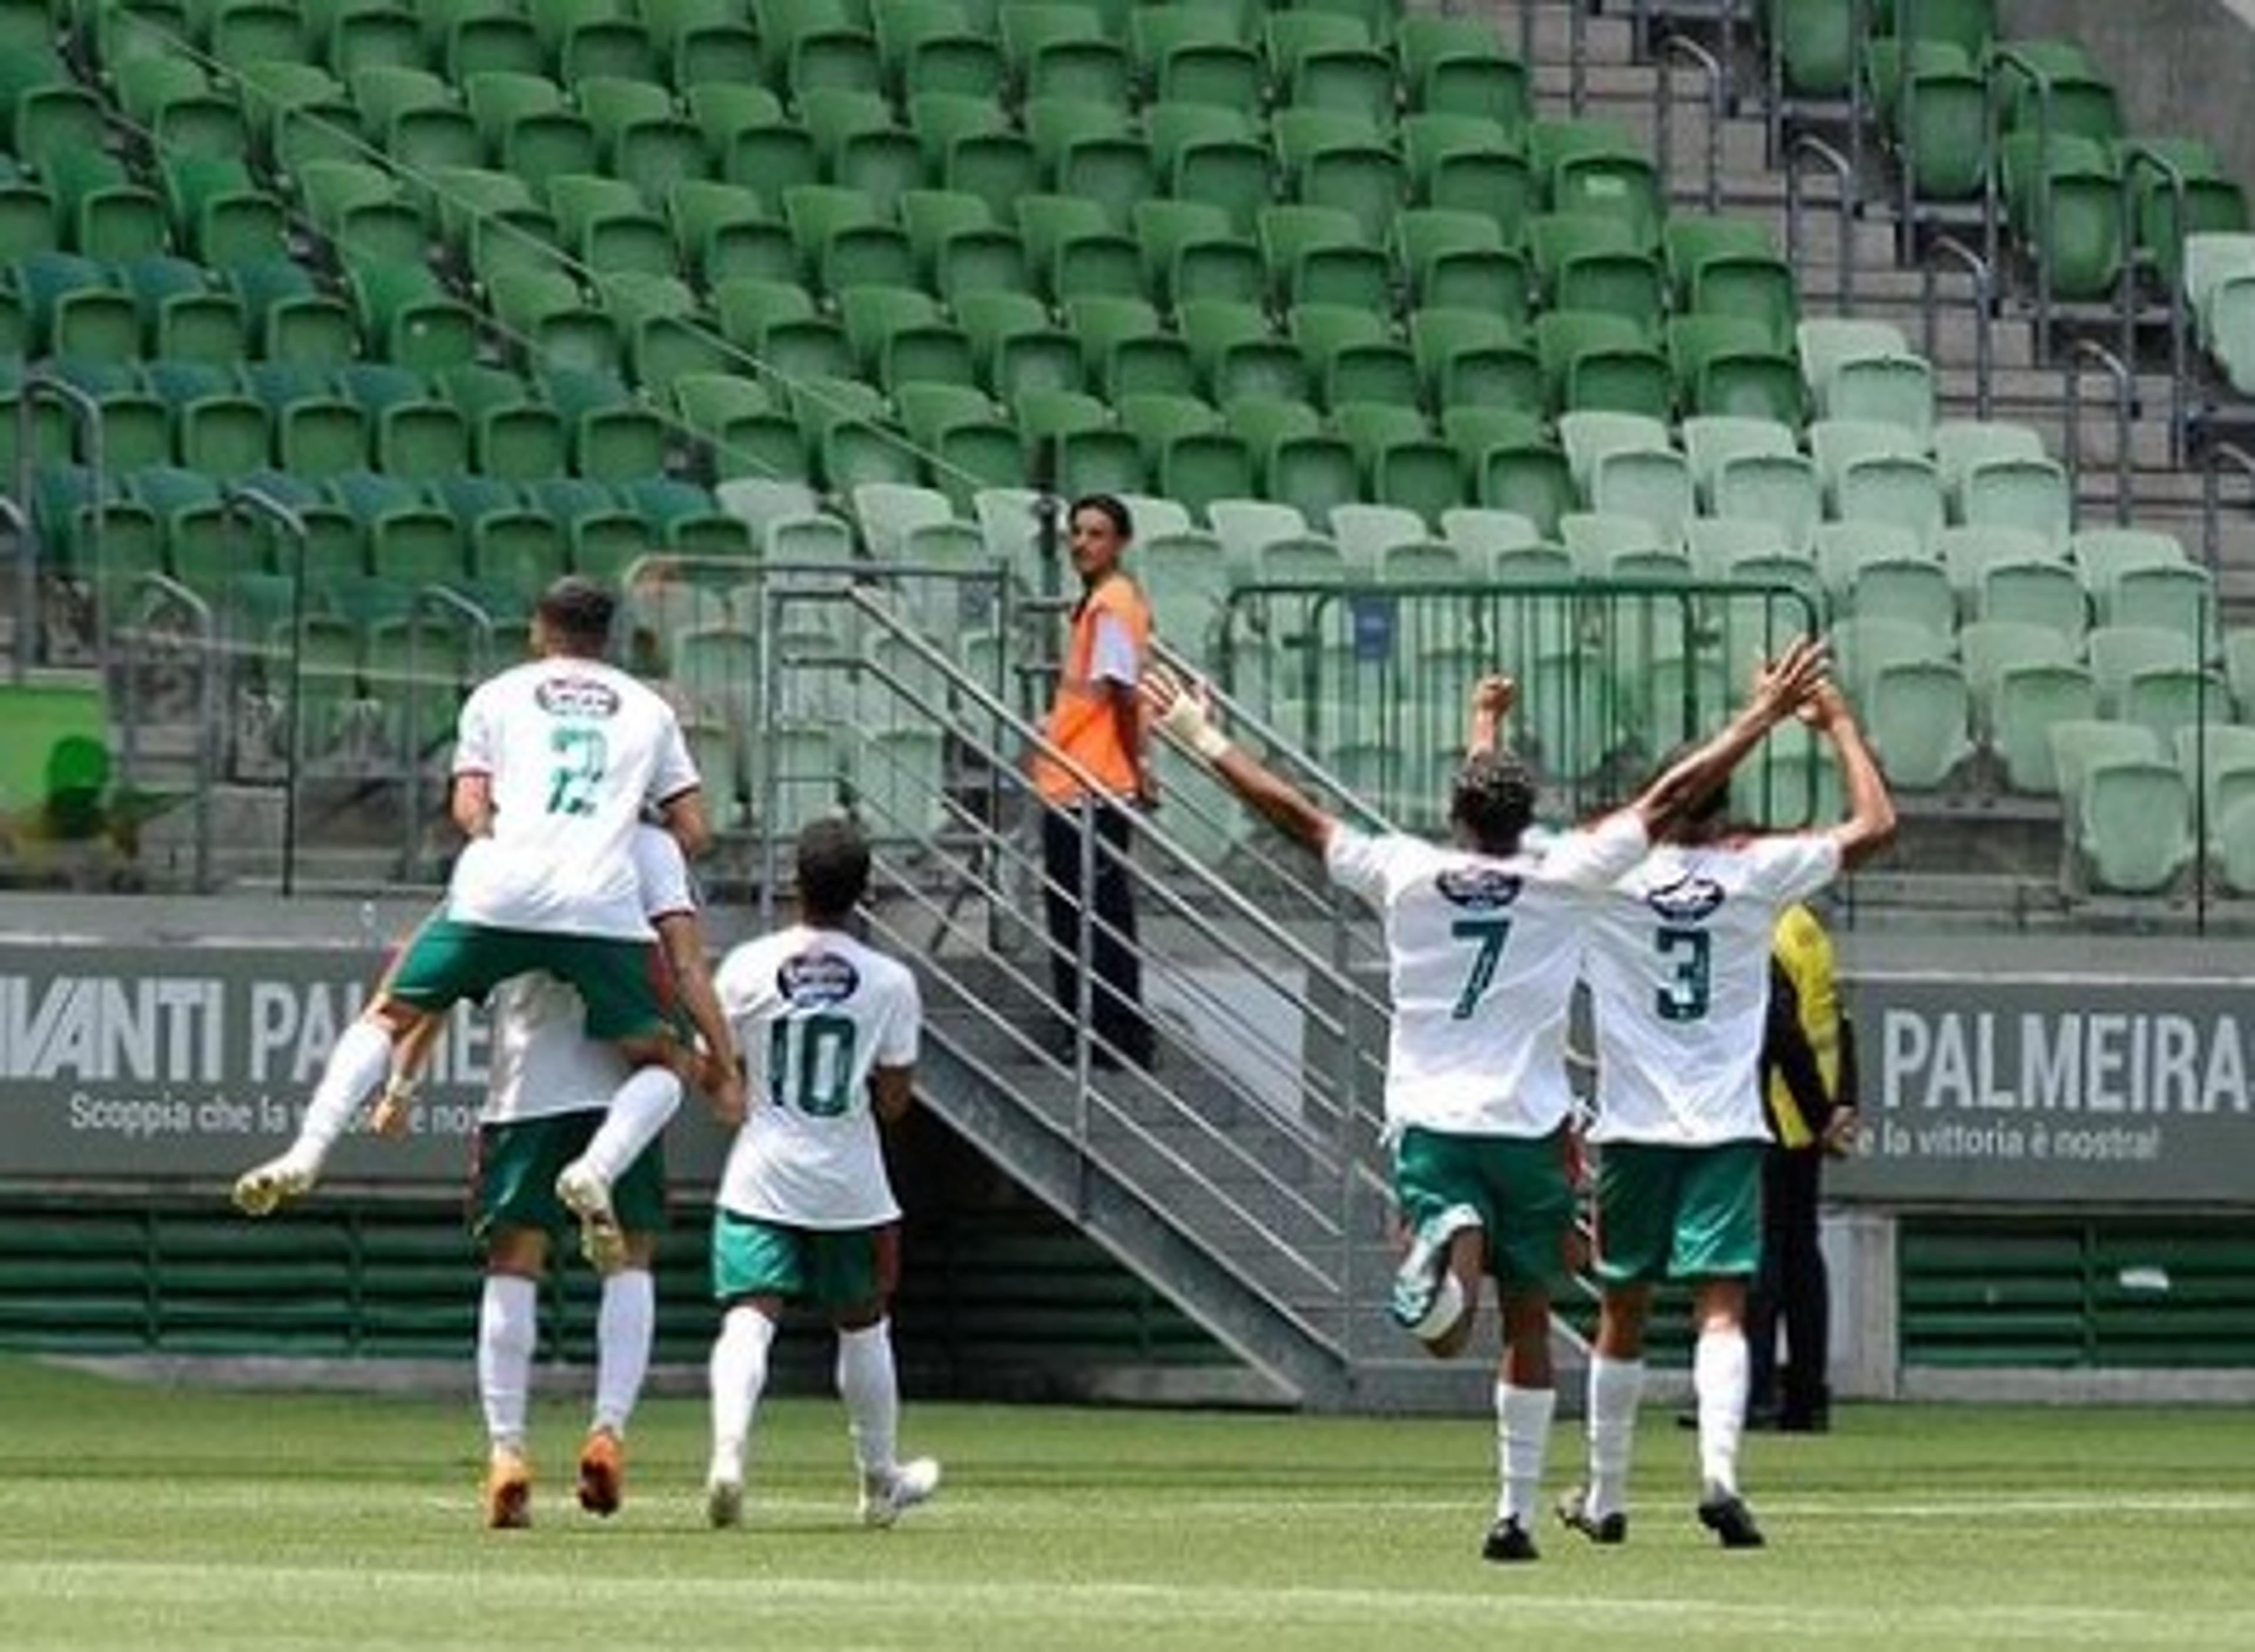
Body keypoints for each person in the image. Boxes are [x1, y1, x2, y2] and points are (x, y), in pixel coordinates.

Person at [1143, 640, 1827, 1564]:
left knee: (1438, 1315)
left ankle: (1442, 1226)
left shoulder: (1405, 871)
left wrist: (1200, 736)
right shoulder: (1567, 875)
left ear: (1454, 810)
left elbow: (1293, 816)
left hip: (1432, 1118)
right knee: (1530, 1315)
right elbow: (1668, 801)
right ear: (1526, 814)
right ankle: (1514, 1513)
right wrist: (1759, 718)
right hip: (1529, 1126)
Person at [230, 577, 723, 1257]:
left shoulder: (496, 696)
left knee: (386, 1014)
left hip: (502, 889)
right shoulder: (649, 710)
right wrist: (622, 825)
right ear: (607, 638)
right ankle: (596, 1170)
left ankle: (309, 1150)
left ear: (537, 629)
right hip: (600, 900)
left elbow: (469, 811)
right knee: (670, 1063)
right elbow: (694, 828)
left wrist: (511, 847)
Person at [1558, 677, 1895, 1553]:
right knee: (1723, 1307)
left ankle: (1606, 1494)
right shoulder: (1757, 873)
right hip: (1726, 1123)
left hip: (1634, 1123)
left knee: (1622, 1311)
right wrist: (1842, 729)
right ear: (1728, 803)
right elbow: (1875, 827)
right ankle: (1720, 1473)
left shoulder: (1608, 872)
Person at [704, 815, 939, 1532]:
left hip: (761, 1172)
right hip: (850, 1181)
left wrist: (736, 1089)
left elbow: (713, 1067)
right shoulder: (891, 981)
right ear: (863, 893)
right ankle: (877, 1482)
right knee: (865, 1328)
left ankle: (728, 1457)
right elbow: (895, 1102)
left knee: (748, 1320)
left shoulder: (746, 966)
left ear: (794, 883)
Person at [1029, 493, 1155, 1071]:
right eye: (1076, 533)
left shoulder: (1110, 605)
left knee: (1092, 917)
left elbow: (1123, 693)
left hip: (1090, 782)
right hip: (1077, 776)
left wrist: (1140, 765)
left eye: (1096, 533)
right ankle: (1105, 1034)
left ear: (1120, 542)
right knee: (1091, 913)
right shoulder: (1099, 604)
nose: (1081, 543)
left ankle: (1108, 1038)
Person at [1746, 901, 1860, 1433]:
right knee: (1800, 1253)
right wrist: (1840, 1107)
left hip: (1772, 1110)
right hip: (1809, 1118)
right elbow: (1838, 1020)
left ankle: (1755, 1393)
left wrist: (1820, 1114)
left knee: (1762, 1256)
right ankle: (1808, 1396)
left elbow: (1782, 1033)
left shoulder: (1762, 936)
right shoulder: (1805, 928)